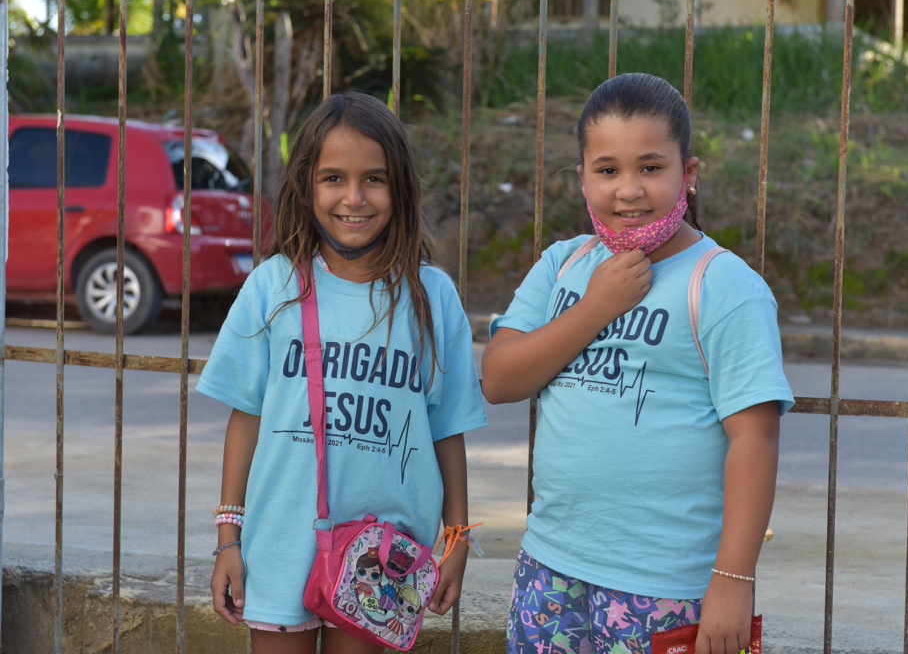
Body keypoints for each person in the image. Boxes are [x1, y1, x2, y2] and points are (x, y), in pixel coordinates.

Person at [482, 74, 794, 654]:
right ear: (583, 178)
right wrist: (595, 307)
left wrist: (733, 580)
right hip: (550, 566)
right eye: (607, 170)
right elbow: (499, 380)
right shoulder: (562, 265)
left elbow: (756, 437)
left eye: (650, 167)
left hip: (666, 587)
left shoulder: (724, 285)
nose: (628, 190)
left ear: (688, 173)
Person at [199, 92, 488, 654]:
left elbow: (446, 427)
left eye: (374, 179)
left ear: (400, 188)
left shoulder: (433, 296)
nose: (354, 198)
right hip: (280, 540)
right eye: (333, 178)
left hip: (384, 554)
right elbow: (246, 417)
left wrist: (456, 537)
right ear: (306, 186)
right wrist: (228, 539)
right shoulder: (272, 287)